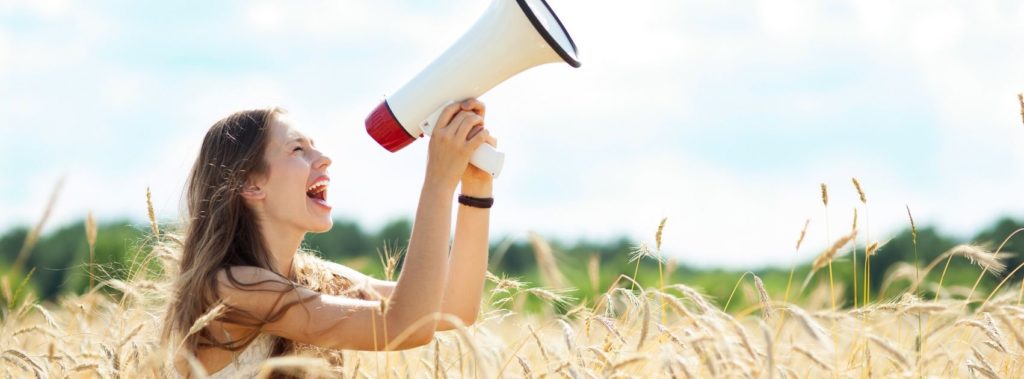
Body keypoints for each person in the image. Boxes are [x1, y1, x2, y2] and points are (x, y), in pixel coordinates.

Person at [160, 99, 496, 378]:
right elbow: (404, 326)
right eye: (297, 149)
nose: (323, 158)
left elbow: (454, 307)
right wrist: (438, 182)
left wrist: (476, 188)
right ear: (251, 184)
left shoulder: (314, 278)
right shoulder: (230, 288)